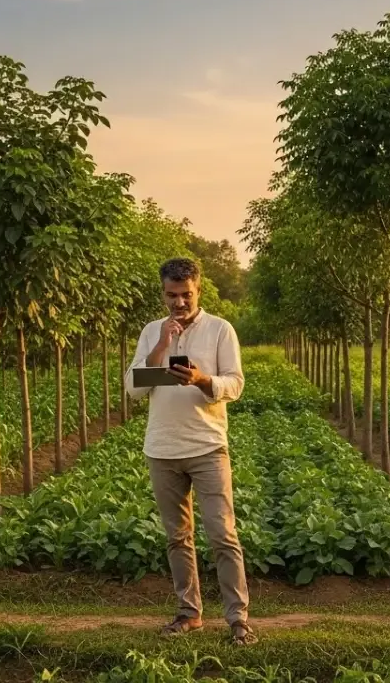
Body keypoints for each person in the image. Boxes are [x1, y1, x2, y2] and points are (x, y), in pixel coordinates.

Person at [125, 257, 255, 646]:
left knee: (222, 534)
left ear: (198, 289)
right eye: (171, 295)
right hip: (162, 448)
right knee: (177, 536)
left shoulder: (220, 330)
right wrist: (163, 345)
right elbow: (133, 387)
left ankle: (238, 619)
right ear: (162, 292)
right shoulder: (151, 332)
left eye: (186, 295)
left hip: (207, 446)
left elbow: (235, 384)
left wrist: (201, 379)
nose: (178, 302)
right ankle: (189, 613)